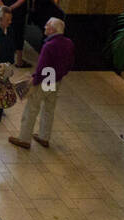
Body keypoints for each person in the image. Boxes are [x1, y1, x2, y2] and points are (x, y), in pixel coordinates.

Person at [9, 17, 75, 149]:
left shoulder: (49, 46)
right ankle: (44, 137)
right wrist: (60, 75)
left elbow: (42, 67)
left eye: (47, 26)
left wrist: (35, 80)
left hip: (44, 80)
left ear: (53, 29)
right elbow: (70, 64)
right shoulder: (68, 43)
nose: (44, 27)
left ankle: (24, 139)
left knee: (32, 109)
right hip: (56, 80)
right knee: (49, 108)